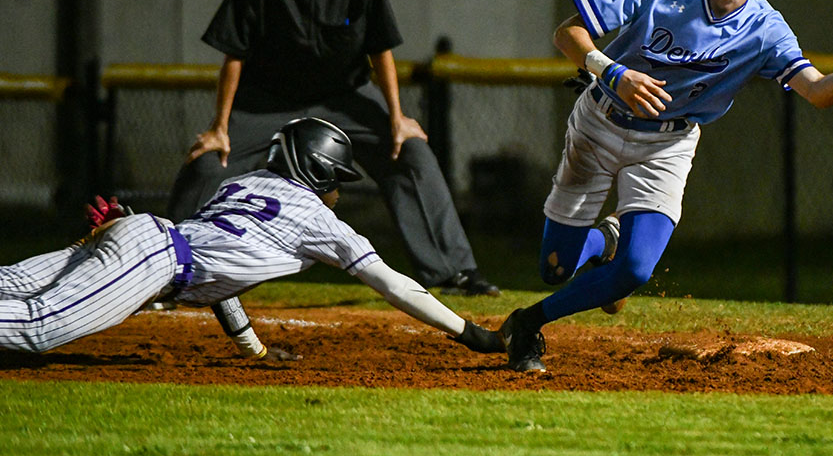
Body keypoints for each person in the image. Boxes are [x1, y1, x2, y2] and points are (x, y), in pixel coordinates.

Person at [497, 0, 833, 372]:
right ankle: (607, 239)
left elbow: (817, 91)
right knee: (554, 269)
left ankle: (529, 324)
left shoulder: (765, 28)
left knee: (636, 271)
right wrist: (612, 72)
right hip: (599, 124)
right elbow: (568, 33)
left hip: (667, 143)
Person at [167, 0, 498, 297]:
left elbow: (381, 48)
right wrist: (220, 127)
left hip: (345, 97)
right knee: (208, 166)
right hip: (269, 100)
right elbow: (234, 54)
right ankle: (165, 267)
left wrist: (397, 117)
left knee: (410, 153)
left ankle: (453, 273)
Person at [0, 118, 503, 358]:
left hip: (146, 239)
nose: (337, 190)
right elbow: (394, 285)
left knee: (12, 284)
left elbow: (222, 276)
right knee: (40, 326)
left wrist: (253, 349)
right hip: (154, 257)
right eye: (336, 178)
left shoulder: (242, 183)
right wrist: (471, 333)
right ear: (318, 169)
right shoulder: (317, 219)